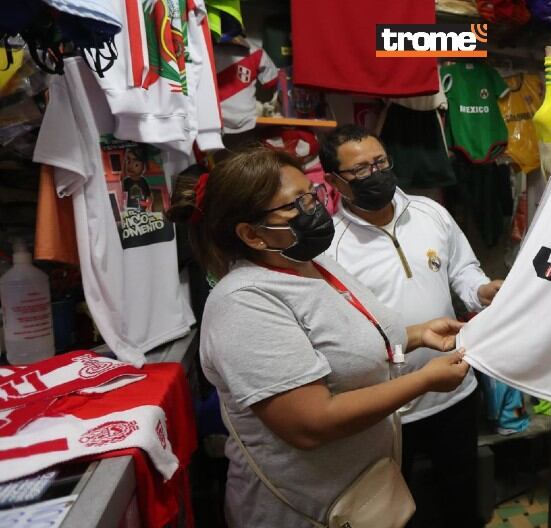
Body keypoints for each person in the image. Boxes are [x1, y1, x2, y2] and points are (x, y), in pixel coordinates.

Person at [166, 147, 471, 527]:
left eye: (310, 195)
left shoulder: (314, 264)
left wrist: (418, 335)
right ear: (252, 234)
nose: (313, 210)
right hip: (303, 510)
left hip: (362, 490)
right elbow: (311, 423)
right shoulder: (243, 304)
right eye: (294, 205)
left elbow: (344, 345)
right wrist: (423, 380)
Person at [321, 124, 502, 528]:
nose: (376, 173)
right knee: (393, 509)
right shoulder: (331, 246)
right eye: (361, 170)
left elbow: (464, 272)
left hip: (455, 389)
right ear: (334, 181)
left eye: (380, 162)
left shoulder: (430, 212)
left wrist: (482, 291)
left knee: (461, 496)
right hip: (388, 407)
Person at [122, 146, 153, 212]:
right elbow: (123, 196)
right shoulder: (126, 181)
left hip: (142, 210)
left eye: (136, 164)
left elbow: (149, 196)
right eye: (128, 162)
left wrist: (148, 205)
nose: (130, 166)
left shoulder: (143, 181)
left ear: (143, 167)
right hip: (129, 210)